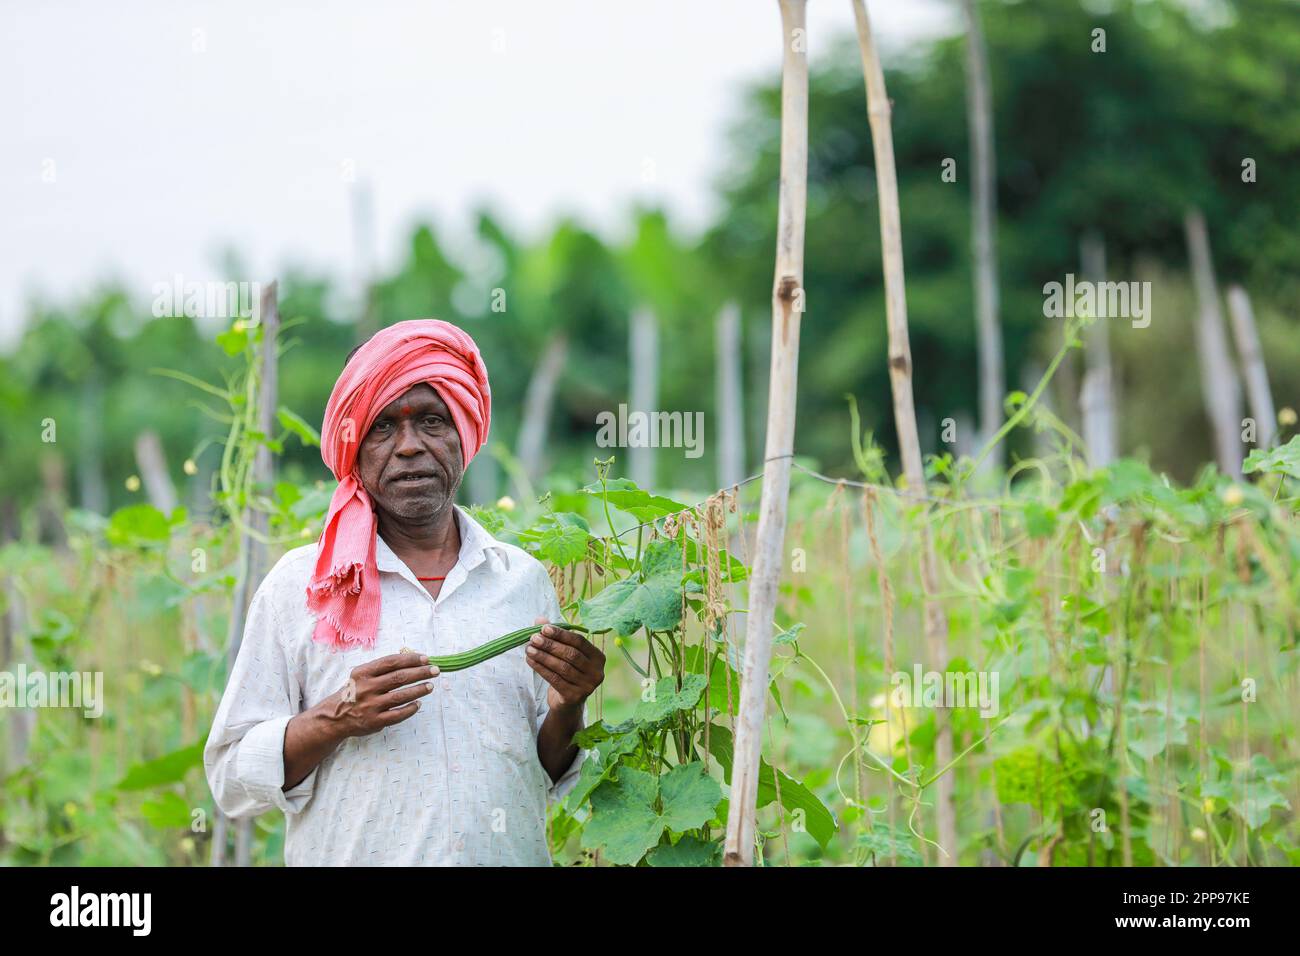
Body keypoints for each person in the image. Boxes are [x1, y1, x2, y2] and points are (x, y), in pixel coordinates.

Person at [204, 319, 605, 865]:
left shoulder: (520, 581)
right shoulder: (300, 587)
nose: (410, 446)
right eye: (383, 427)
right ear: (354, 448)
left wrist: (569, 706)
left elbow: (548, 769)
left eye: (432, 422)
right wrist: (337, 717)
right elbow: (230, 779)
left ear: (463, 434)